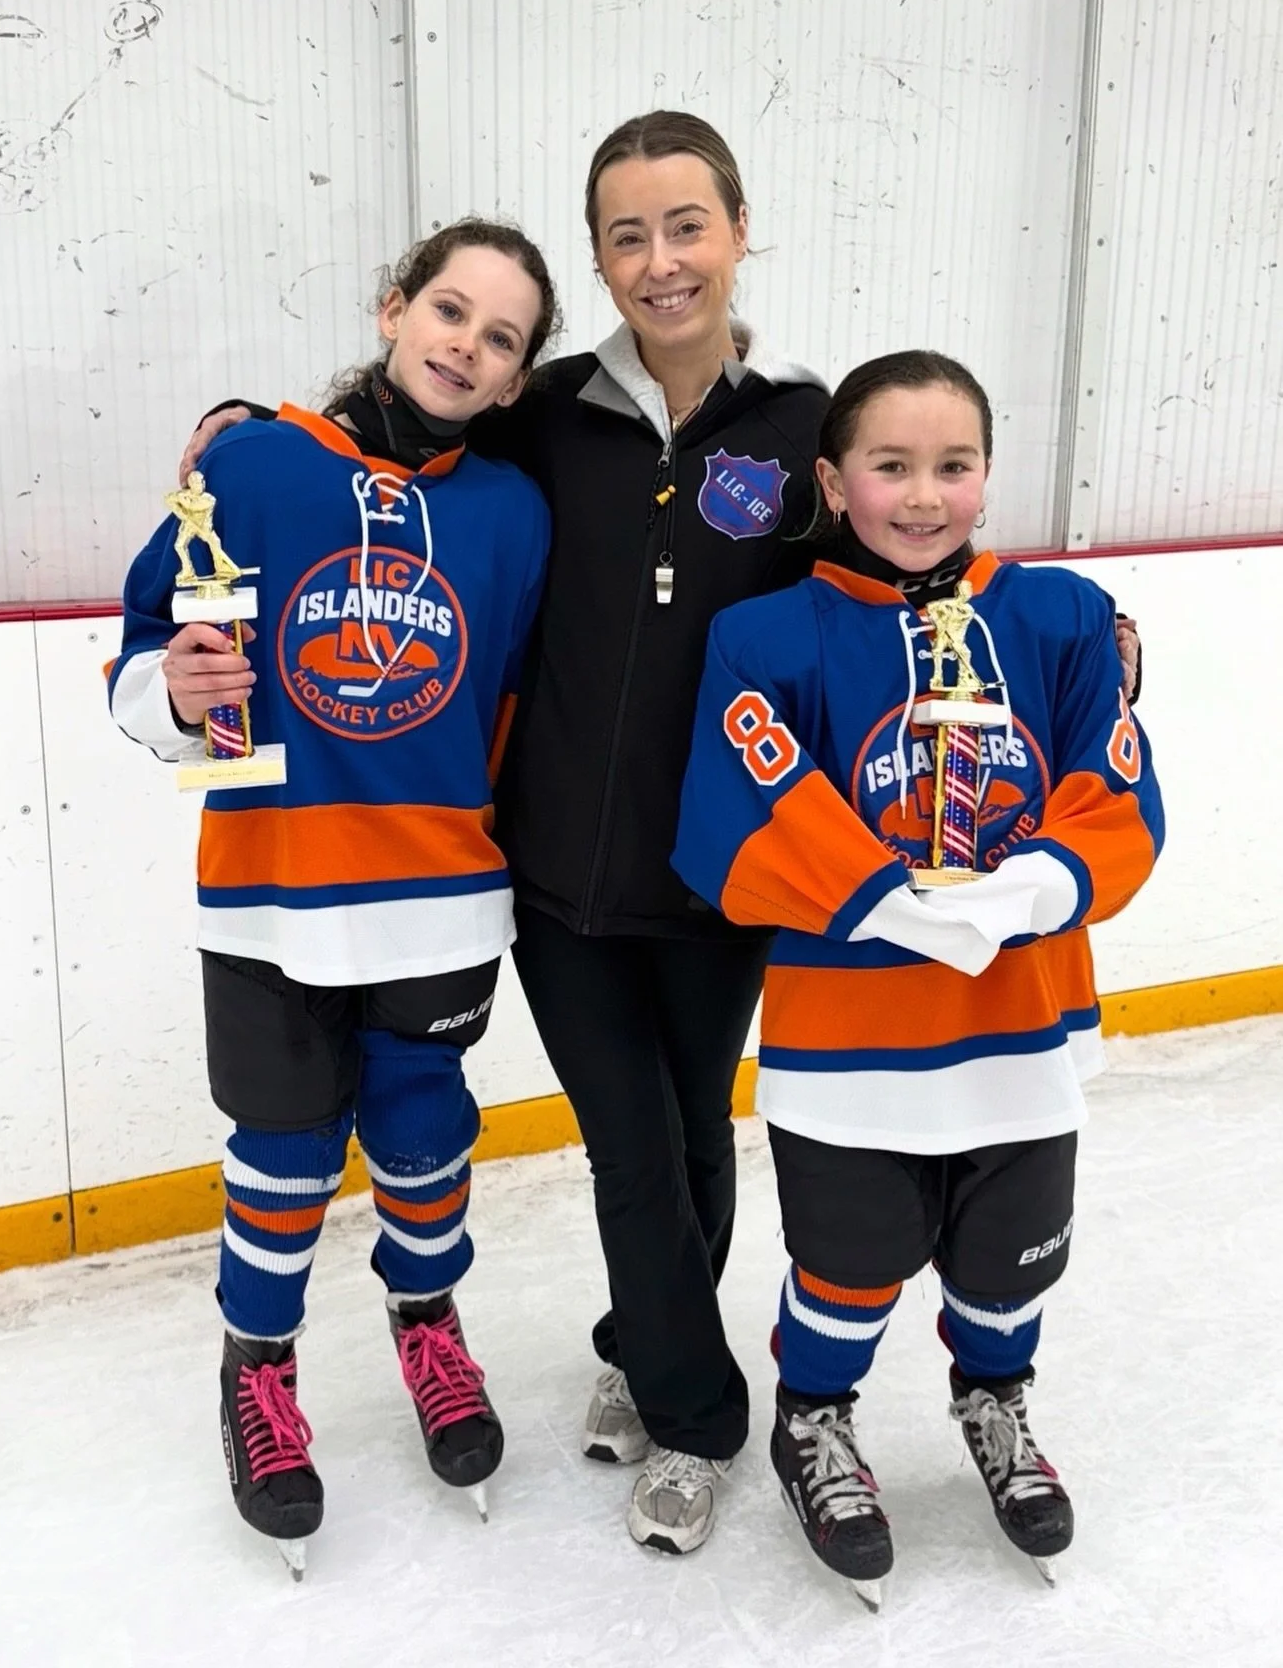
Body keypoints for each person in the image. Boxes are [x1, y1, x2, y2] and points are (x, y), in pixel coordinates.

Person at [179, 113, 1145, 1558]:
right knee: (629, 1148)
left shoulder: (797, 424)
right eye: (625, 235)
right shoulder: (544, 409)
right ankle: (700, 1419)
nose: (659, 260)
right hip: (551, 872)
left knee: (696, 1136)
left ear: (738, 229)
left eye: (684, 225)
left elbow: (892, 570)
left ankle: (640, 1342)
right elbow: (400, 443)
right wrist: (250, 431)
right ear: (600, 258)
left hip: (716, 880)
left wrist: (1080, 635)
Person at [671, 350, 1164, 1608]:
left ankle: (996, 1404)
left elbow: (1115, 784)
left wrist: (1040, 884)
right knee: (848, 1264)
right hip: (851, 1044)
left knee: (1009, 1263)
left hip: (1024, 1027)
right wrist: (885, 900)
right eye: (890, 466)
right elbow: (734, 815)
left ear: (988, 477)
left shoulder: (1056, 616)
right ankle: (815, 1419)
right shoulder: (768, 631)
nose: (924, 493)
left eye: (952, 465)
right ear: (834, 481)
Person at [110, 219, 558, 1575]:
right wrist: (171, 696)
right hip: (270, 897)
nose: (464, 344)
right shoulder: (250, 465)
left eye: (498, 338)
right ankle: (259, 1370)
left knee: (424, 1141)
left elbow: (523, 700)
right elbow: (152, 647)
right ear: (391, 307)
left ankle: (429, 1329)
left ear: (515, 379)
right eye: (449, 310)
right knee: (284, 1154)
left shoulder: (512, 511)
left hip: (438, 900)